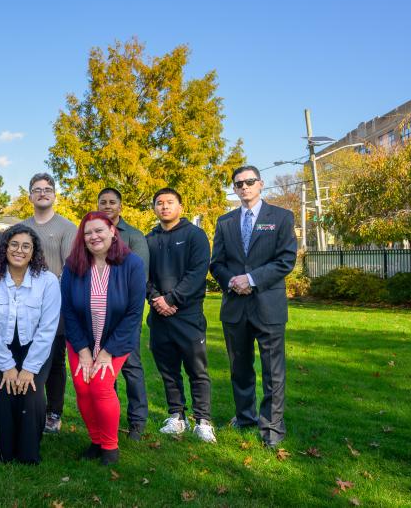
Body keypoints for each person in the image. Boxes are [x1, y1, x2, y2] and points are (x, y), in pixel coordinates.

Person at [209, 165, 297, 448]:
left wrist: (251, 279)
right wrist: (232, 281)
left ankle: (271, 428)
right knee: (240, 368)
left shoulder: (281, 218)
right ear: (234, 189)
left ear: (261, 184)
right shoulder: (225, 222)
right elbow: (216, 263)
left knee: (273, 370)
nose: (244, 187)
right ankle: (245, 417)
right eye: (238, 184)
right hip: (235, 307)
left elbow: (286, 260)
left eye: (249, 182)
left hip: (267, 305)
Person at [61, 211, 146, 465]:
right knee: (82, 387)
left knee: (99, 386)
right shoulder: (73, 265)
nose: (93, 236)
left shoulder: (132, 264)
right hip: (81, 340)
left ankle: (110, 447)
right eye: (87, 233)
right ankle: (96, 440)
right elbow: (68, 310)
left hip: (115, 340)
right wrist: (85, 351)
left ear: (112, 231)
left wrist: (107, 351)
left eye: (99, 230)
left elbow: (134, 313)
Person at [0, 224, 60, 464]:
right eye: (14, 244)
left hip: (37, 348)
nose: (19, 250)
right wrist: (7, 365)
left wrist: (29, 368)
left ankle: (28, 453)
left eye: (26, 246)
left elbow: (48, 328)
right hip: (2, 346)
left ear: (34, 252)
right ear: (4, 248)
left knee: (32, 395)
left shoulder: (48, 281)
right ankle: (5, 451)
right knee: (6, 392)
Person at [145, 188, 215, 443]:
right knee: (169, 371)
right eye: (159, 203)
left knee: (197, 371)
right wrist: (157, 300)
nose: (164, 207)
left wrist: (172, 299)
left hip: (188, 316)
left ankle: (203, 421)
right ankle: (176, 416)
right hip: (159, 317)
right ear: (154, 208)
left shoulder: (195, 236)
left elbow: (197, 273)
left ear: (180, 207)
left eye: (169, 202)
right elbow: (143, 276)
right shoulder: (149, 239)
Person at [21, 173, 77, 434]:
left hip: (55, 307)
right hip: (22, 305)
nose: (42, 193)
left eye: (47, 189)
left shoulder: (67, 228)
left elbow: (70, 269)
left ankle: (53, 413)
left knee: (54, 360)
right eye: (37, 189)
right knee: (26, 355)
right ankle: (29, 407)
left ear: (54, 195)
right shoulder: (22, 228)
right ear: (30, 195)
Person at [97, 187, 150, 440]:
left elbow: (139, 280)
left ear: (120, 206)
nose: (107, 206)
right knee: (106, 370)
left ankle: (137, 422)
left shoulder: (135, 237)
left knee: (131, 366)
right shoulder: (93, 235)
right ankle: (110, 418)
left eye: (112, 202)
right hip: (99, 317)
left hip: (127, 315)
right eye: (102, 202)